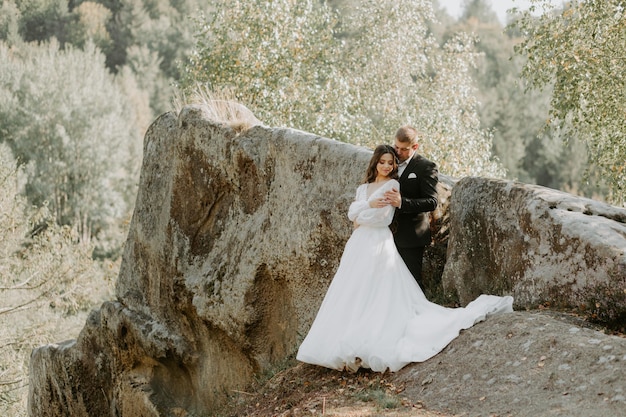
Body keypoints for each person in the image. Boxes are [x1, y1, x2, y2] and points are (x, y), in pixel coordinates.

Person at [296, 144, 513, 373]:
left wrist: (362, 214)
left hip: (378, 242)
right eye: (383, 162)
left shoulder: (392, 185)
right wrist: (367, 206)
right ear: (375, 163)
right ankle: (345, 337)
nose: (387, 166)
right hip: (358, 245)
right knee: (352, 290)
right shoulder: (363, 189)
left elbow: (382, 218)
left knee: (378, 292)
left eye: (391, 163)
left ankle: (370, 338)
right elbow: (352, 215)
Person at [384, 126, 438, 289]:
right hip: (385, 233)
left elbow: (431, 201)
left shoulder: (426, 167)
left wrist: (402, 202)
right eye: (396, 147)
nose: (398, 152)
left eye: (403, 149)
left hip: (411, 236)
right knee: (387, 282)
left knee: (411, 284)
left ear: (415, 147)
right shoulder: (388, 161)